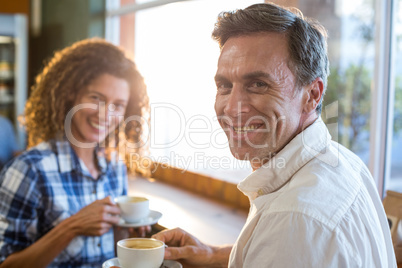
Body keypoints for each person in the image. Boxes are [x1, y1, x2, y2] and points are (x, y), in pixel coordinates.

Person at [153, 3, 397, 267]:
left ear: (312, 95)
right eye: (224, 85)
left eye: (258, 84)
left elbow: (293, 238)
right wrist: (215, 255)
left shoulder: (293, 220)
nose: (232, 108)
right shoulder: (344, 162)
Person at [0, 38, 149, 267]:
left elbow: (110, 253)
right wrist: (72, 226)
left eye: (118, 105)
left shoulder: (114, 166)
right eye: (96, 98)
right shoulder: (29, 170)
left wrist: (126, 232)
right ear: (71, 94)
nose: (105, 115)